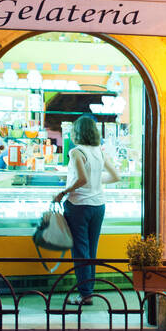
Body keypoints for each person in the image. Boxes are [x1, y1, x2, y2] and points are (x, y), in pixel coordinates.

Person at [54, 114, 121, 305]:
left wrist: (63, 192)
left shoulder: (76, 152)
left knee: (80, 251)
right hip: (98, 206)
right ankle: (88, 290)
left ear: (77, 133)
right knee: (91, 249)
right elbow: (116, 176)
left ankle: (85, 295)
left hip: (78, 206)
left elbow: (82, 179)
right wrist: (96, 180)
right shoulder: (99, 151)